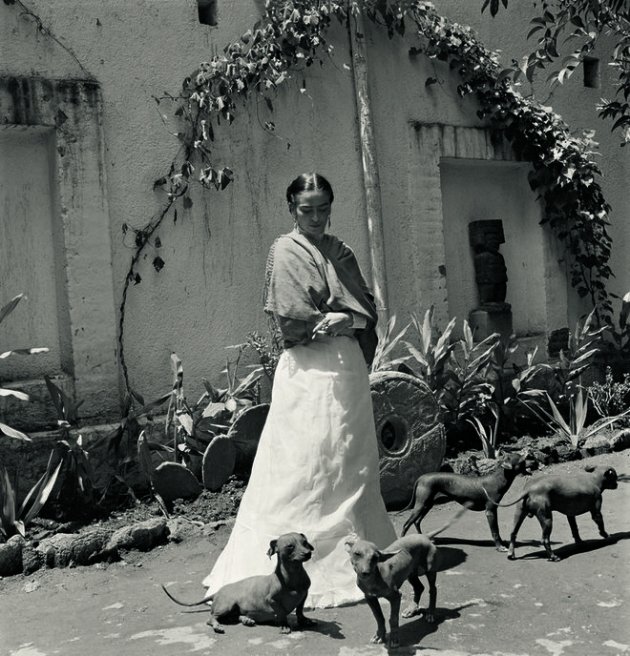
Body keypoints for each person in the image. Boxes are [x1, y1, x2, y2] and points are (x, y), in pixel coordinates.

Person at [202, 172, 396, 608]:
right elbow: (288, 319)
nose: (315, 218)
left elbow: (367, 308)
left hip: (346, 371)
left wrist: (352, 321)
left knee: (348, 460)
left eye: (323, 209)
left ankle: (360, 554)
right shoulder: (284, 249)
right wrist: (318, 323)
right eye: (306, 210)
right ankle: (289, 565)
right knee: (302, 462)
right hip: (306, 370)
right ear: (292, 208)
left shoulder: (341, 250)